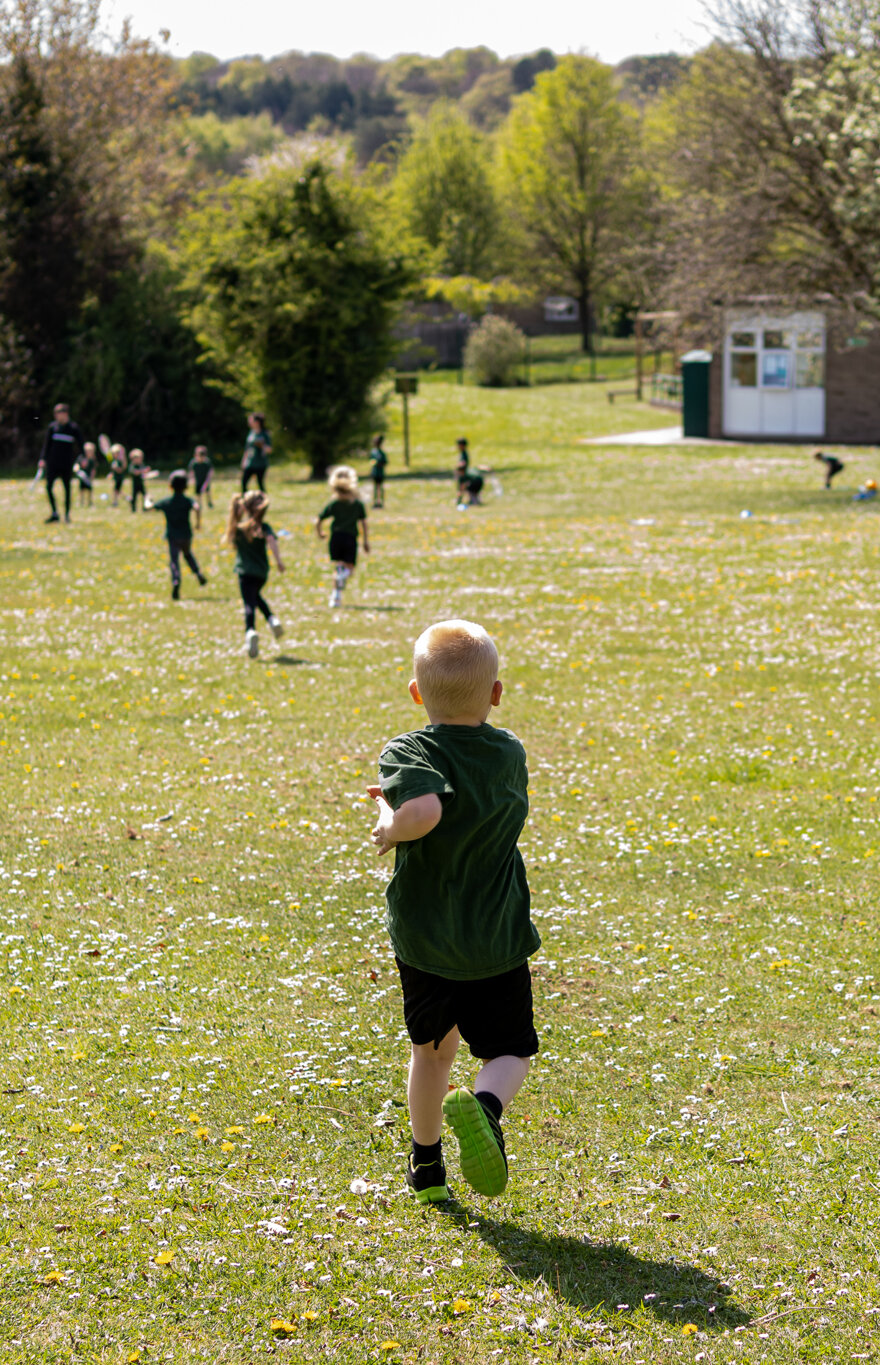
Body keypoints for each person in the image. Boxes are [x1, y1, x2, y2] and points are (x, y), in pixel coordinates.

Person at [366, 619, 537, 1204]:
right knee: (509, 1050)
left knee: (432, 1053)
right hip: (496, 935)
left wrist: (391, 823)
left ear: (417, 695)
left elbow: (427, 814)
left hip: (428, 939)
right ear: (495, 694)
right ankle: (486, 1109)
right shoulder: (508, 751)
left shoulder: (408, 750)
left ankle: (427, 1165)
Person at [223, 489, 284, 658]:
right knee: (255, 596)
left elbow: (231, 539)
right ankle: (272, 619)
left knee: (249, 603)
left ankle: (250, 631)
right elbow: (272, 542)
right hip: (262, 572)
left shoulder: (239, 528)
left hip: (245, 571)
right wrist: (278, 561)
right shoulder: (264, 528)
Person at [316, 465, 371, 608]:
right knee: (349, 568)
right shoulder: (357, 504)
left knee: (338, 567)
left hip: (336, 538)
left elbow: (319, 518)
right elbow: (363, 523)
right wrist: (365, 541)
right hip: (350, 538)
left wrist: (320, 532)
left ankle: (335, 597)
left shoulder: (334, 503)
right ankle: (342, 580)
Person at [153, 471, 208, 600]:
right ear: (186, 487)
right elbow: (197, 507)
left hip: (172, 536)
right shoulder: (187, 500)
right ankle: (198, 573)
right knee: (188, 555)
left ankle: (176, 581)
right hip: (186, 534)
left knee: (174, 560)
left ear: (170, 486)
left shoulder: (167, 502)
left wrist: (147, 500)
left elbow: (150, 507)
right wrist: (198, 523)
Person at [37, 403, 85, 523]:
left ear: (66, 414)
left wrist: (83, 458)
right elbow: (46, 446)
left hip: (67, 463)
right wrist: (42, 459)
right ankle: (54, 513)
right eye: (56, 414)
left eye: (60, 414)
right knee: (49, 487)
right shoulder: (52, 428)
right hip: (53, 463)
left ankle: (67, 515)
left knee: (67, 489)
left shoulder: (73, 428)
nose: (58, 416)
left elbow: (81, 444)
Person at [239, 413, 272, 494]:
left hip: (260, 463)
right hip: (250, 463)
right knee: (243, 483)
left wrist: (262, 445)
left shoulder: (264, 433)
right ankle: (246, 502)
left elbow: (269, 450)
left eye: (251, 420)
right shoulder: (251, 433)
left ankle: (263, 503)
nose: (249, 422)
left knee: (260, 484)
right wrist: (243, 461)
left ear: (257, 422)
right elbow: (247, 448)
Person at [453, 439, 485, 508]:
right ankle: (475, 501)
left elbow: (461, 489)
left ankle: (475, 502)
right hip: (480, 479)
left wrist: (458, 500)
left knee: (470, 489)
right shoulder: (464, 454)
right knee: (471, 489)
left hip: (477, 480)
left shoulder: (463, 474)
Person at [127, 448, 151, 513]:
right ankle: (133, 509)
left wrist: (146, 471)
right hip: (135, 484)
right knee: (134, 497)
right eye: (137, 458)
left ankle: (145, 508)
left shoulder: (141, 465)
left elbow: (143, 473)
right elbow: (135, 472)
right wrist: (143, 471)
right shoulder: (132, 465)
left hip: (141, 483)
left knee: (145, 496)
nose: (138, 460)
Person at [367, 432, 388, 508]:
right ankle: (375, 502)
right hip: (375, 472)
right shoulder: (373, 452)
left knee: (381, 488)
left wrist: (380, 464)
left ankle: (381, 502)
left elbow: (385, 462)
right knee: (375, 488)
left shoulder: (382, 453)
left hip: (380, 473)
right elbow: (371, 460)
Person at [76, 442, 98, 509]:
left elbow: (93, 469)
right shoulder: (81, 457)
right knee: (81, 490)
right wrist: (78, 471)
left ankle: (90, 502)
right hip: (82, 477)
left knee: (89, 490)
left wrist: (92, 477)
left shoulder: (92, 459)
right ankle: (81, 502)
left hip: (88, 477)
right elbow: (77, 465)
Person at [108, 441, 129, 508]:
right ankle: (116, 501)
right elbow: (113, 470)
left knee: (117, 491)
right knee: (116, 491)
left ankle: (117, 501)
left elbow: (121, 470)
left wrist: (116, 468)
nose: (114, 455)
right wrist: (111, 473)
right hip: (115, 478)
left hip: (119, 478)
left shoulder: (120, 461)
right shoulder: (114, 461)